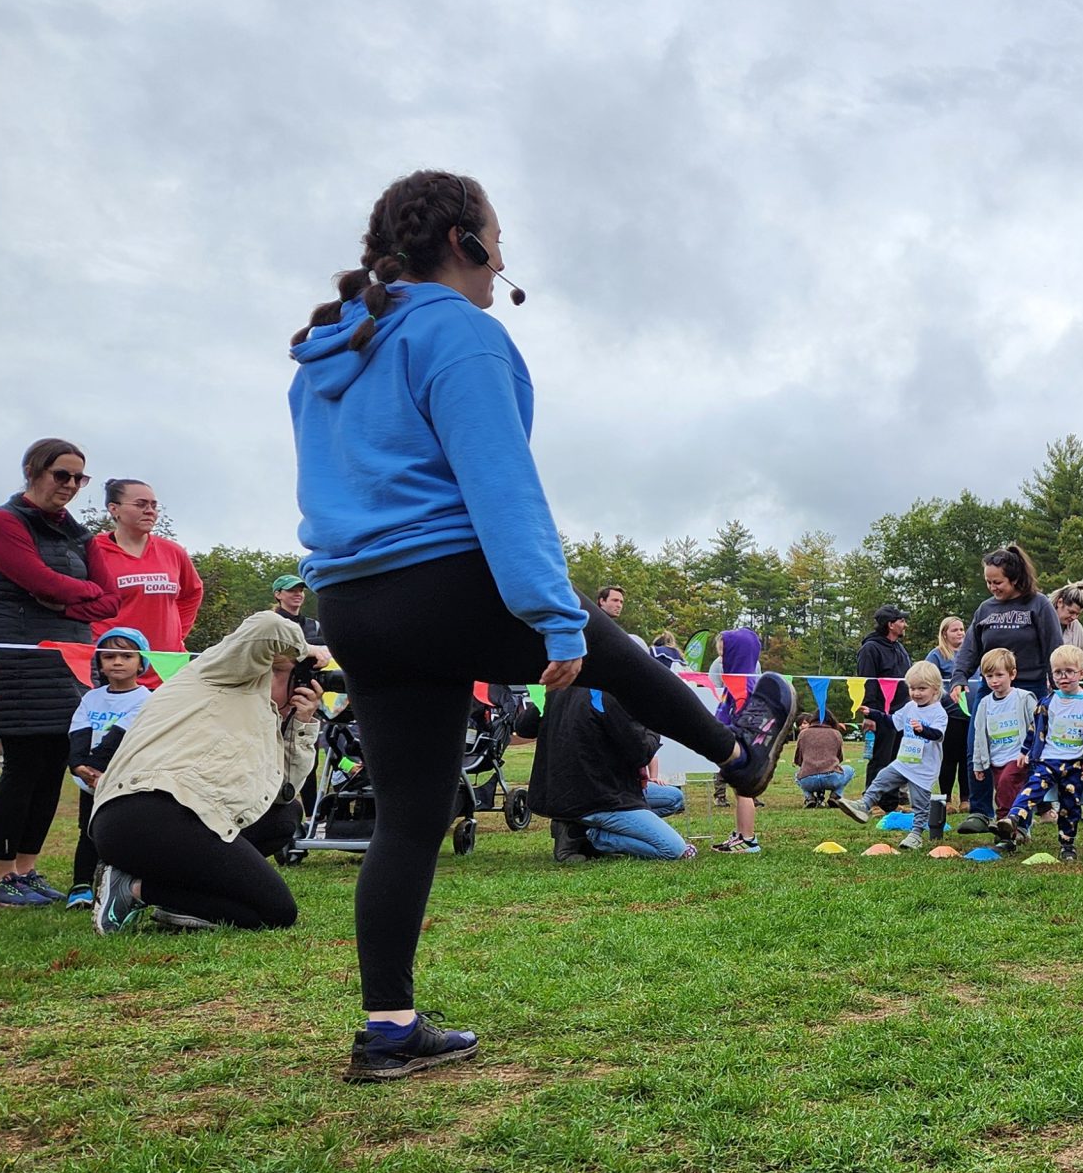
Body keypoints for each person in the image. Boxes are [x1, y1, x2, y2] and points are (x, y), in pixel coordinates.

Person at [290, 168, 792, 1082]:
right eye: (497, 240)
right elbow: (503, 487)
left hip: (353, 602)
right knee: (609, 648)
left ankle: (388, 1028)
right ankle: (740, 755)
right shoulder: (459, 332)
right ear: (465, 243)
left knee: (409, 818)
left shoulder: (333, 352)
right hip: (442, 578)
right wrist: (557, 617)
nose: (502, 260)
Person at [89, 612, 320, 935]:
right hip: (146, 810)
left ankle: (178, 900)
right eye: (283, 672)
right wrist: (308, 649)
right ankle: (133, 889)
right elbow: (267, 626)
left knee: (284, 816)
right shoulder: (216, 672)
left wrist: (301, 724)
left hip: (182, 821)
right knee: (276, 911)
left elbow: (282, 792)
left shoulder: (266, 718)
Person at [0, 438, 116, 907]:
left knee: (55, 763)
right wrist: (75, 592)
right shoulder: (0, 524)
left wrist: (62, 601)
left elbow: (111, 600)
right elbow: (39, 580)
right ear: (33, 470)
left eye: (79, 478)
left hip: (69, 660)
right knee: (24, 764)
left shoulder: (79, 535)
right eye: (62, 475)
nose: (71, 485)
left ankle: (27, 869)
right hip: (18, 659)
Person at [516, 683, 696, 864]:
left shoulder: (557, 686)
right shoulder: (609, 694)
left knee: (673, 798)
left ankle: (575, 827)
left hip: (565, 793)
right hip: (601, 796)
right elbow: (641, 752)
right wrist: (653, 724)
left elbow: (523, 727)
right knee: (673, 850)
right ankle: (594, 836)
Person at [954, 544, 1065, 818]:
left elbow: (1054, 647)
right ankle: (981, 812)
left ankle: (1027, 808)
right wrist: (959, 677)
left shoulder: (1038, 604)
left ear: (1014, 578)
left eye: (998, 582)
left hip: (1029, 689)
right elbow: (970, 648)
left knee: (1029, 751)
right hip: (990, 690)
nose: (992, 587)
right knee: (976, 747)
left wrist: (1059, 686)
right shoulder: (985, 609)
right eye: (988, 582)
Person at [64, 629, 154, 908]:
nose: (117, 662)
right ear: (100, 664)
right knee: (88, 831)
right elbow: (79, 731)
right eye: (109, 656)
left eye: (127, 656)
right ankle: (81, 885)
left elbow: (120, 735)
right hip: (90, 781)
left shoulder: (147, 699)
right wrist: (79, 766)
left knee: (125, 831)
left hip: (125, 781)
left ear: (141, 663)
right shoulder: (91, 698)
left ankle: (126, 883)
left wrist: (96, 768)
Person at [993, 645, 1083, 860]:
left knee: (1070, 805)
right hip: (1048, 760)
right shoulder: (1047, 702)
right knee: (1031, 789)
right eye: (1058, 672)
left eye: (1069, 671)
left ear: (1081, 674)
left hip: (1074, 764)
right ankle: (1012, 819)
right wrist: (1025, 751)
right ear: (1051, 675)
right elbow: (1035, 729)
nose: (1063, 677)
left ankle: (1067, 844)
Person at [833, 661, 947, 849]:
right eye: (912, 688)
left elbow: (938, 735)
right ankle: (864, 805)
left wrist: (923, 730)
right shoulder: (910, 707)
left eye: (922, 689)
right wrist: (873, 713)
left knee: (920, 804)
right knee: (881, 778)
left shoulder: (938, 712)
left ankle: (916, 834)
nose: (916, 693)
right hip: (903, 762)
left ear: (935, 689)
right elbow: (892, 721)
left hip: (923, 769)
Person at [85, 479, 203, 650]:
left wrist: (178, 634)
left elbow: (192, 593)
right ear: (114, 508)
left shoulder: (173, 551)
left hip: (166, 659)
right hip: (115, 659)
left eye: (154, 506)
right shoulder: (92, 551)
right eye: (140, 504)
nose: (149, 511)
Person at [709, 629, 768, 854]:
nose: (722, 661)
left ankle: (748, 838)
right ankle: (741, 834)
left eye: (724, 655)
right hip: (736, 745)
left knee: (744, 792)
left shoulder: (743, 686)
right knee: (739, 791)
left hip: (743, 747)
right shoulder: (735, 683)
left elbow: (744, 719)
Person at [969, 647, 1038, 821]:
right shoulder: (984, 704)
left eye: (999, 675)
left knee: (1008, 782)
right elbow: (979, 737)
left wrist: (1031, 752)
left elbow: (1038, 727)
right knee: (1005, 789)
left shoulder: (1024, 698)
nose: (994, 681)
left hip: (1019, 757)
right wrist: (978, 763)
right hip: (996, 758)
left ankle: (1003, 819)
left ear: (1012, 674)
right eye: (989, 676)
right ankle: (1020, 824)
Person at [855, 605, 912, 786]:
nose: (905, 625)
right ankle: (873, 797)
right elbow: (867, 682)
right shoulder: (870, 649)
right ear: (890, 625)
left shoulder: (900, 649)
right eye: (901, 621)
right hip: (880, 712)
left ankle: (891, 798)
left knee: (897, 760)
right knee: (881, 759)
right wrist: (870, 715)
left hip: (900, 712)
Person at [927, 615, 973, 808]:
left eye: (962, 629)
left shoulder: (971, 654)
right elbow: (928, 680)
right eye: (955, 630)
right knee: (949, 758)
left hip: (971, 715)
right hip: (949, 715)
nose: (960, 633)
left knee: (967, 758)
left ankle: (966, 799)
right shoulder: (936, 655)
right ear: (944, 634)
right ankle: (945, 799)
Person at [793, 715, 854, 807]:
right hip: (831, 778)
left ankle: (809, 797)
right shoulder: (836, 733)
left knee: (797, 774)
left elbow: (798, 759)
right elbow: (839, 758)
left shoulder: (803, 734)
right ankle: (835, 796)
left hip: (808, 780)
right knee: (849, 770)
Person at [270, 576, 330, 665]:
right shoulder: (270, 623)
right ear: (278, 594)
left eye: (301, 591)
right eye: (291, 591)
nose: (298, 594)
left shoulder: (314, 625)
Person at [1049, 582, 1083, 665]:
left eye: (1077, 614)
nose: (1074, 617)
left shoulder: (1077, 629)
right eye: (1071, 612)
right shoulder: (1041, 621)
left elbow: (1079, 661)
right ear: (1060, 602)